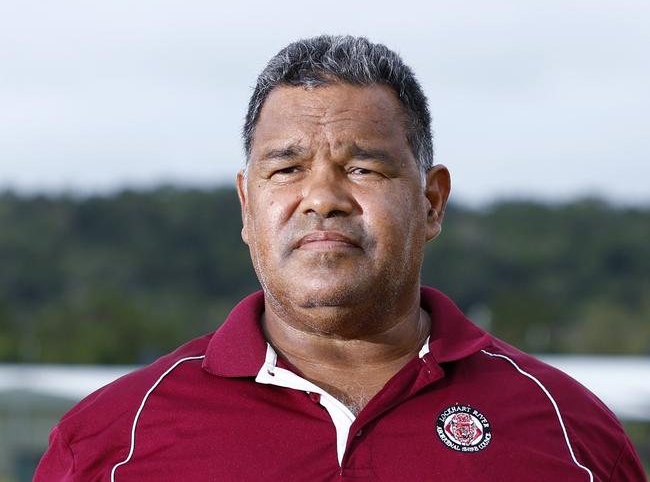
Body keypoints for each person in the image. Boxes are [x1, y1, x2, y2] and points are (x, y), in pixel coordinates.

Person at [35, 35, 645, 481]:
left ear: (431, 202)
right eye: (288, 169)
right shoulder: (109, 440)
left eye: (363, 167)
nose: (322, 199)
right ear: (247, 205)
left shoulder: (570, 432)